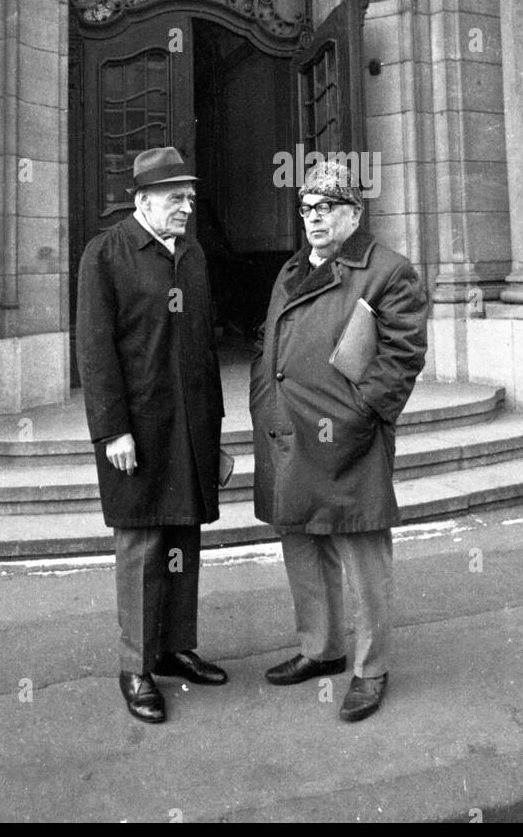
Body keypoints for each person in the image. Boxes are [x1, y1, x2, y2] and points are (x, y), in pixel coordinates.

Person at [250, 160, 428, 722]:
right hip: (288, 428)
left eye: (326, 209)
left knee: (360, 548)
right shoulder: (292, 269)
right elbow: (270, 341)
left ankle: (370, 669)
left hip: (348, 434)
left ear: (354, 213)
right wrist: (263, 398)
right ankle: (320, 649)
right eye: (306, 209)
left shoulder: (389, 270)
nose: (314, 219)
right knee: (301, 540)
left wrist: (358, 414)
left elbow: (402, 357)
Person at [76, 146, 228, 723]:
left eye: (189, 197)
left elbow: (205, 348)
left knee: (182, 539)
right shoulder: (106, 254)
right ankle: (135, 666)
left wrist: (215, 427)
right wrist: (112, 429)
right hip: (136, 430)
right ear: (142, 201)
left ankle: (173, 649)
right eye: (175, 198)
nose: (186, 207)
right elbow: (95, 351)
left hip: (191, 424)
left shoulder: (192, 255)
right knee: (142, 544)